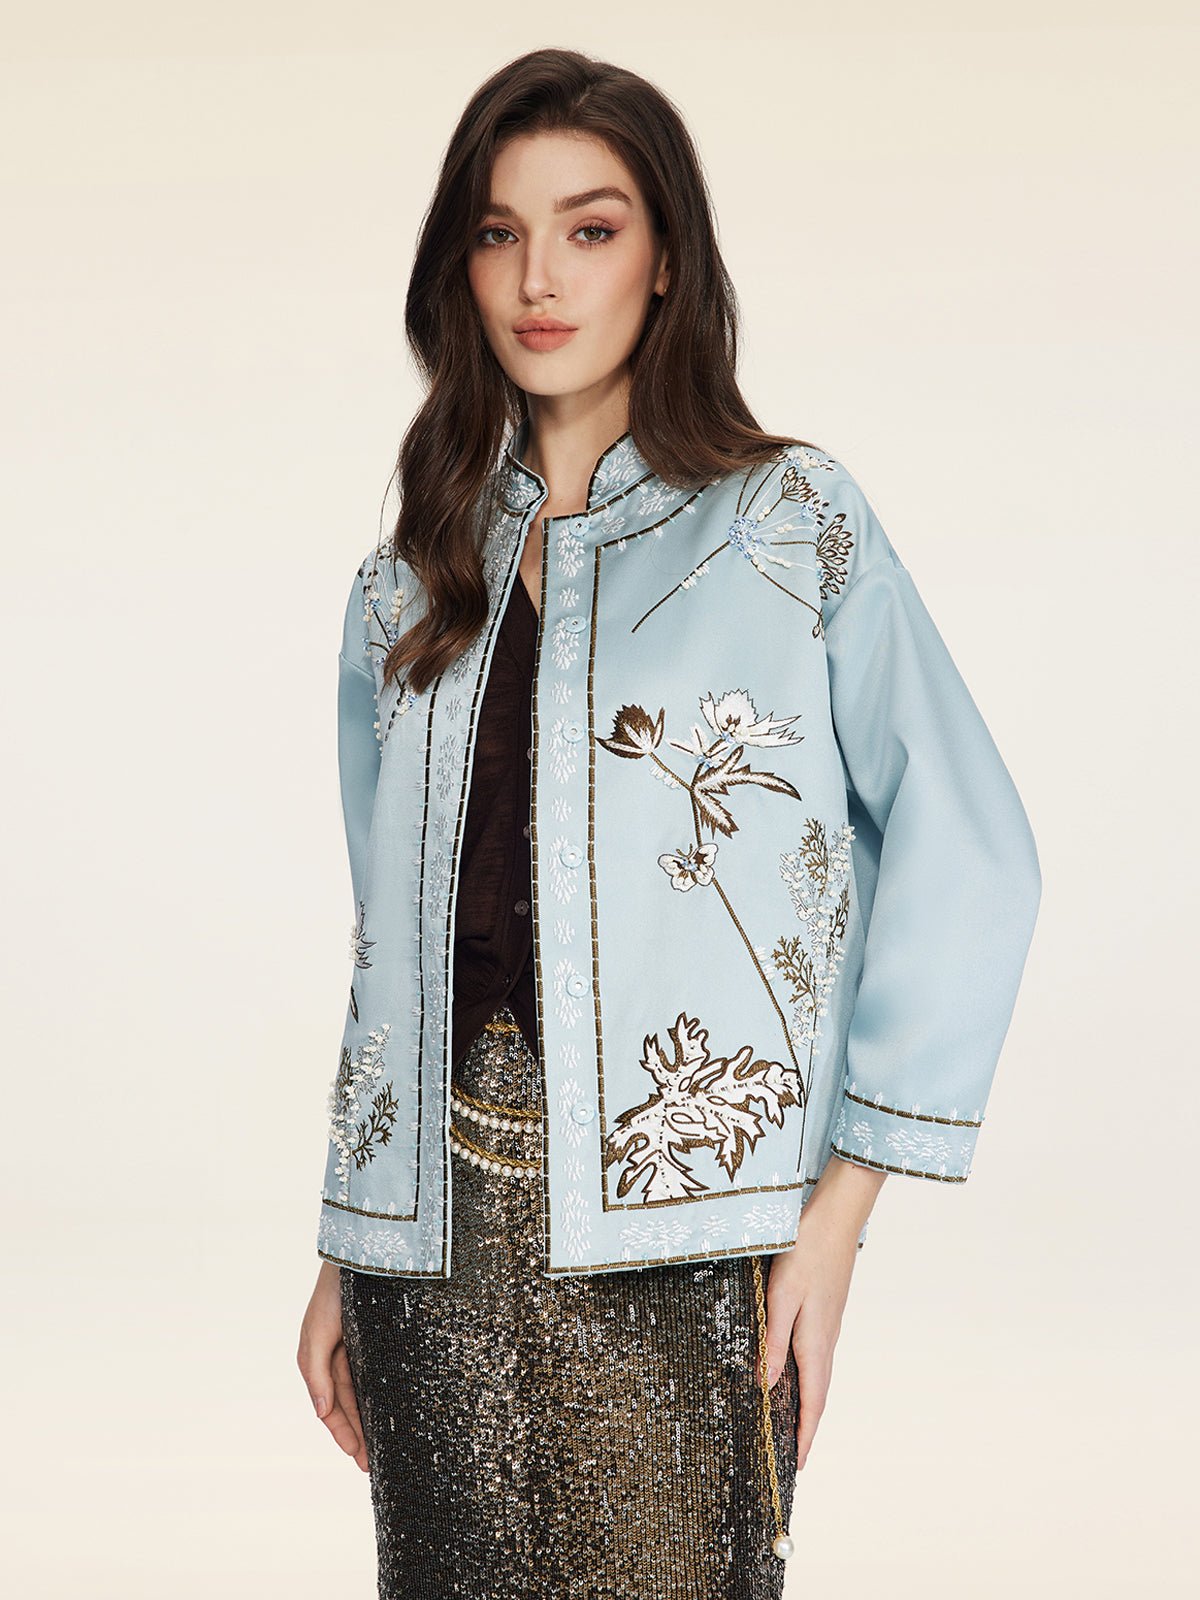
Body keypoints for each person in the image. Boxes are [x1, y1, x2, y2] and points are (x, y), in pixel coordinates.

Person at [296, 46, 1042, 1600]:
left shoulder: (788, 523)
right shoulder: (406, 580)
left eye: (590, 226)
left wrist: (837, 1221)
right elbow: (395, 936)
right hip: (429, 1249)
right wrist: (347, 1235)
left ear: (666, 260)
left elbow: (970, 845)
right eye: (498, 233)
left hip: (689, 1239)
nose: (540, 277)